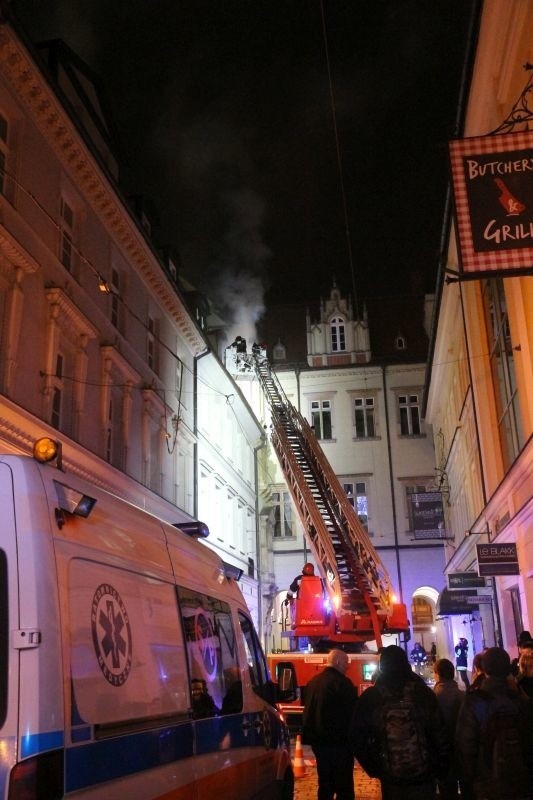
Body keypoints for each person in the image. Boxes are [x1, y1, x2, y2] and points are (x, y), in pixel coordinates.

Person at [351, 644, 449, 800]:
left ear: (382, 667)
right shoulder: (421, 692)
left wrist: (374, 768)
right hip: (423, 776)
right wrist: (439, 765)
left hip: (391, 777)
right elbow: (439, 731)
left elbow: (357, 737)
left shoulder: (373, 696)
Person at [455, 646, 533, 800]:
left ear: (484, 669)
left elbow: (466, 744)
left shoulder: (474, 700)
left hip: (487, 779)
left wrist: (470, 779)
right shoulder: (520, 698)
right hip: (520, 778)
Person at [302, 648, 358, 800]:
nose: (348, 667)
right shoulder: (343, 684)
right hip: (340, 745)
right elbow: (352, 715)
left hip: (320, 744)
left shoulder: (313, 683)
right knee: (344, 787)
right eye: (346, 663)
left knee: (325, 785)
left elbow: (308, 712)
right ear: (338, 662)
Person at [433, 658, 464, 799]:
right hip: (461, 749)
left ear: (437, 674)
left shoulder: (434, 697)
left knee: (446, 788)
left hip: (441, 750)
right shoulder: (462, 696)